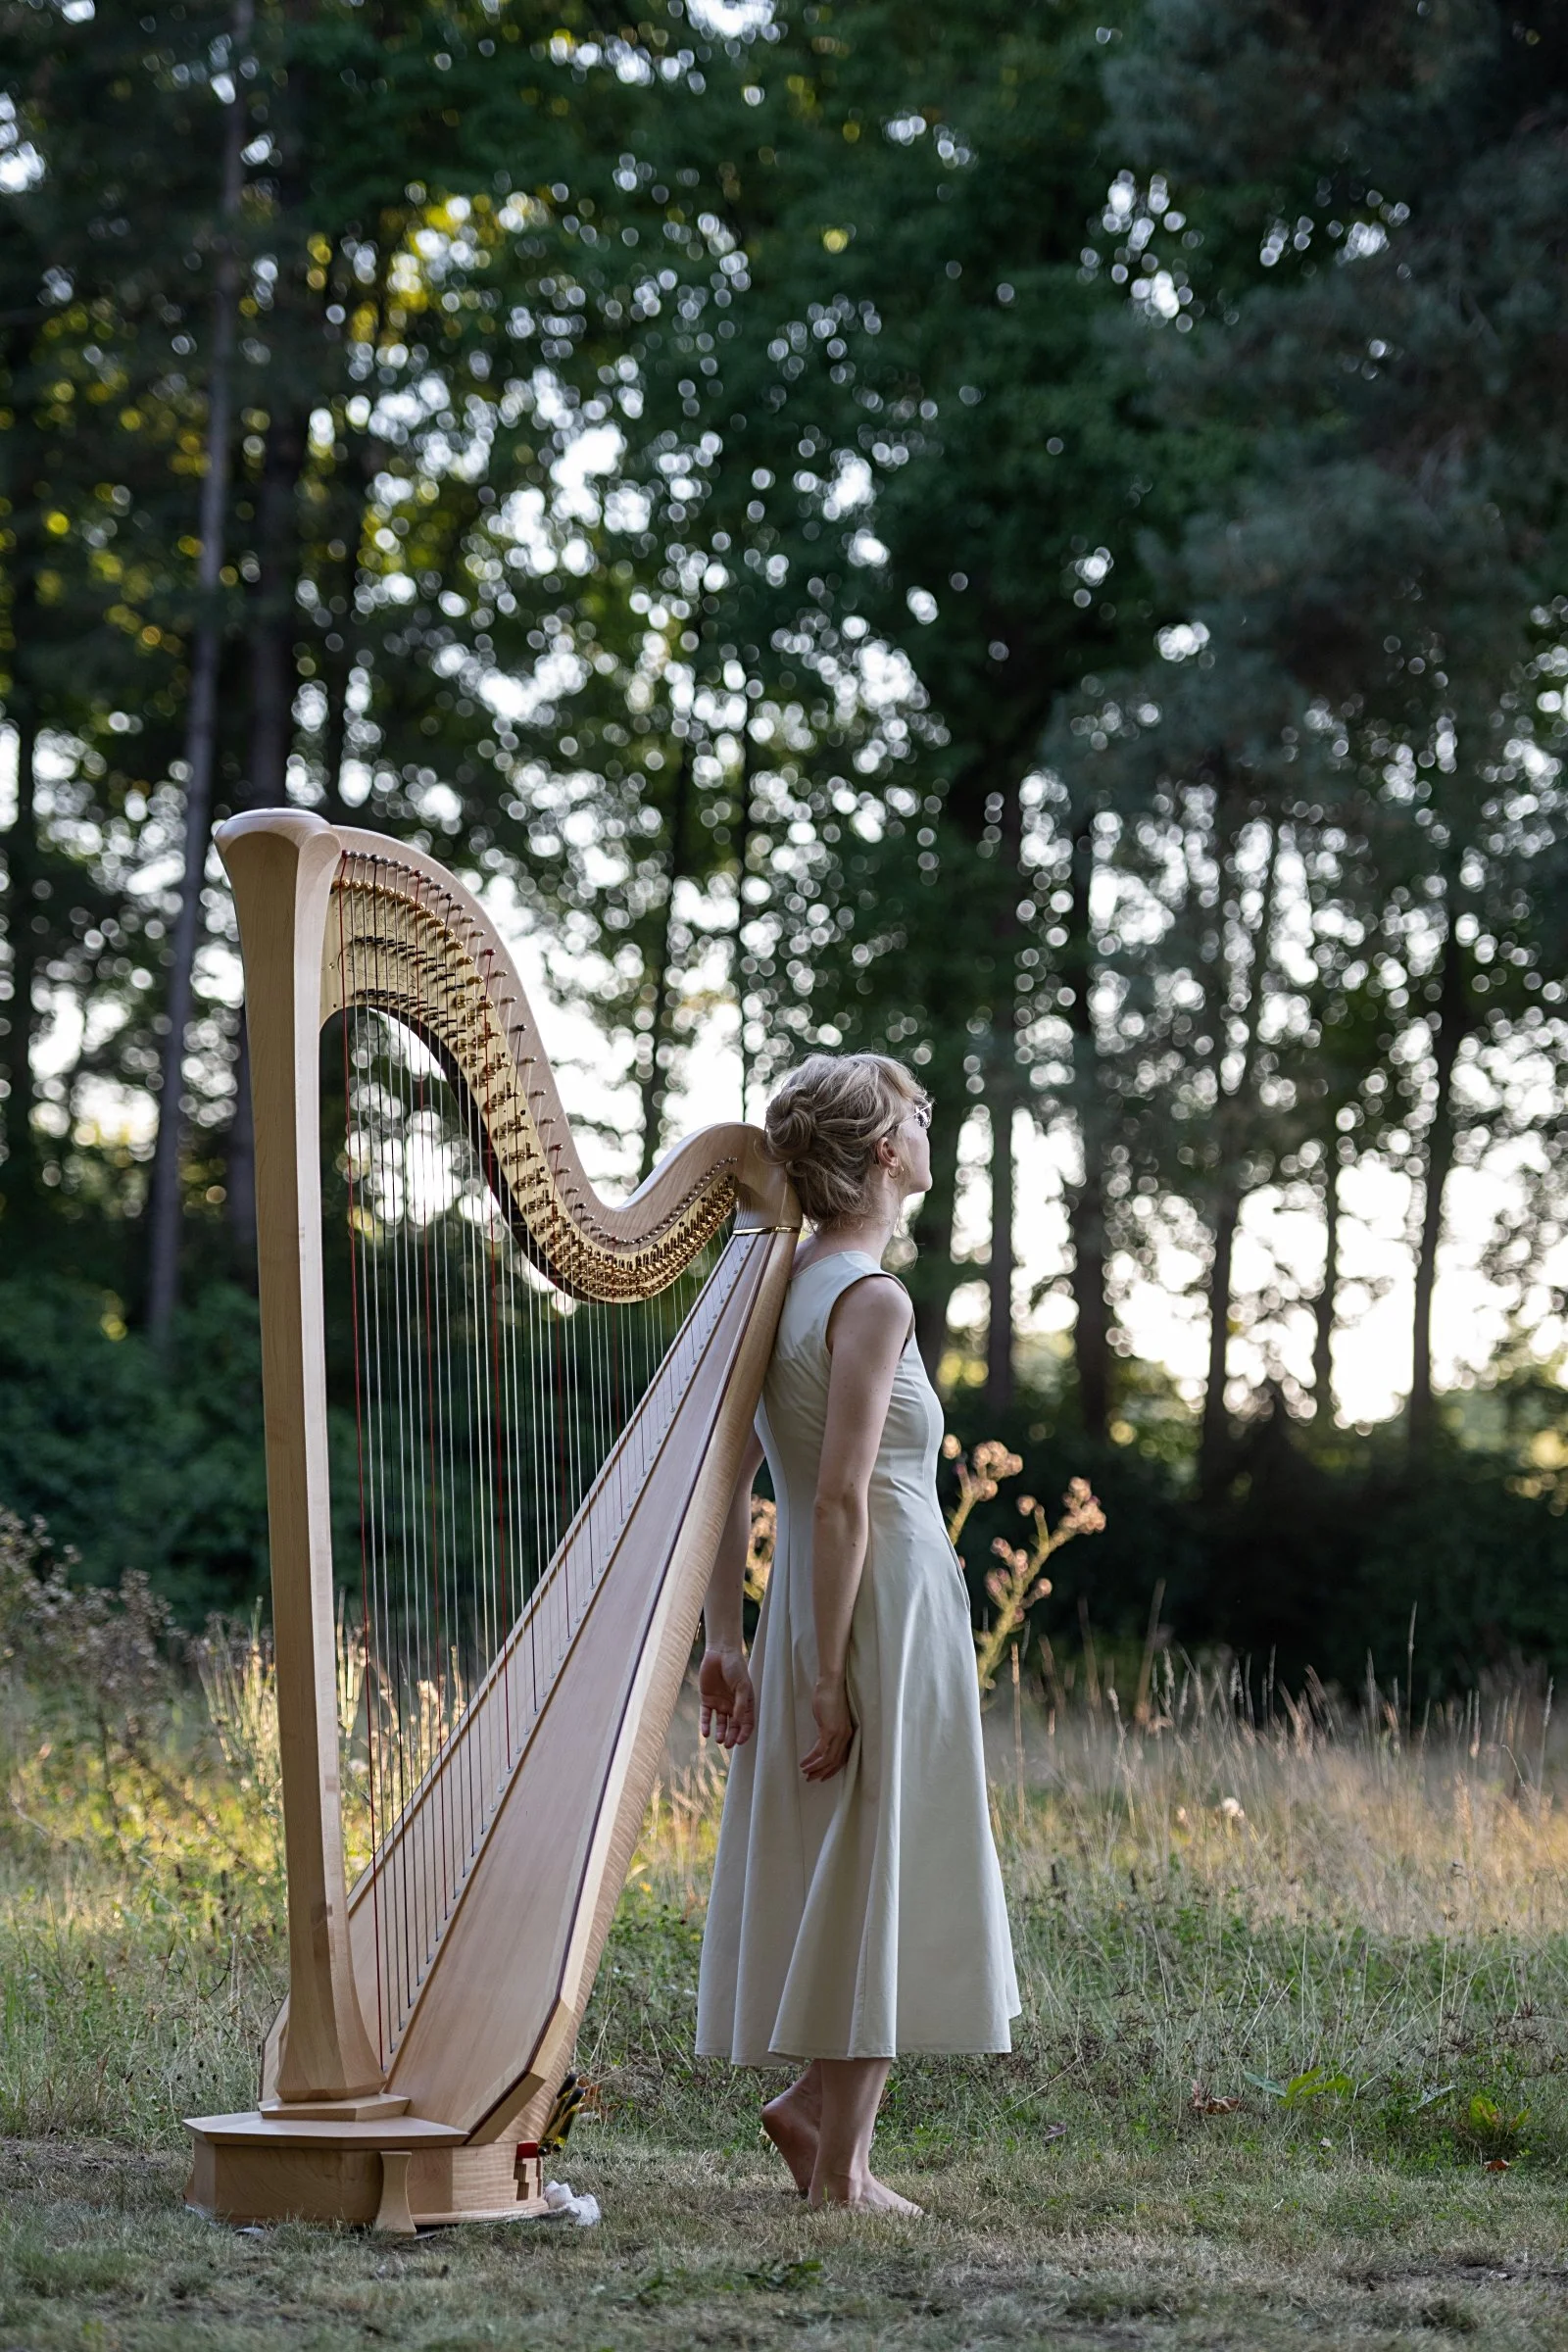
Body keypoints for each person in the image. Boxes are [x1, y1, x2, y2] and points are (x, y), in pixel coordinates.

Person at [695, 1053, 1019, 2213]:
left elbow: (725, 1476)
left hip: (813, 1608)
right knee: (891, 1852)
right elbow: (832, 1498)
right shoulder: (872, 1298)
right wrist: (829, 1677)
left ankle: (820, 2122)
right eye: (917, 1118)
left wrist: (728, 1635)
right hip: (878, 1601)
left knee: (861, 1855)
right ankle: (841, 2171)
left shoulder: (770, 1291)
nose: (929, 1131)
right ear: (886, 1152)